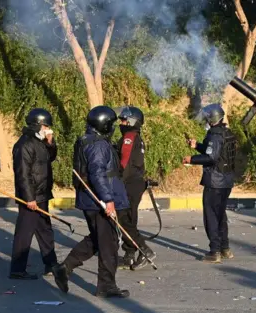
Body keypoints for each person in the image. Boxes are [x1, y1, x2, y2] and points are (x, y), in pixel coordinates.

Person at [52, 106, 130, 298]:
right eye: (111, 124)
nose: (113, 127)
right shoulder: (98, 145)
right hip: (99, 201)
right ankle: (106, 286)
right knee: (109, 244)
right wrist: (108, 200)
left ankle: (65, 267)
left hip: (90, 200)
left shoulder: (87, 140)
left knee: (97, 239)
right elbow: (97, 174)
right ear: (104, 125)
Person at [183, 104, 237, 264]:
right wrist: (197, 146)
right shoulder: (227, 133)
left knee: (211, 216)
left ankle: (215, 251)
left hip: (215, 182)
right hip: (226, 181)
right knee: (221, 215)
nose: (205, 119)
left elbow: (211, 158)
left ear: (211, 118)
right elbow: (216, 154)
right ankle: (225, 248)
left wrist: (191, 159)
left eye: (207, 117)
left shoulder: (214, 136)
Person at [9, 108, 58, 280]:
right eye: (45, 126)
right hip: (31, 197)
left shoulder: (40, 142)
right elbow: (23, 175)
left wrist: (50, 143)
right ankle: (17, 269)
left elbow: (50, 158)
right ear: (37, 125)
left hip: (42, 194)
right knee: (24, 233)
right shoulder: (24, 145)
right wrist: (29, 198)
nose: (47, 129)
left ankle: (51, 264)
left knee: (45, 231)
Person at [115, 106, 156, 271]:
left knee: (124, 220)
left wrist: (115, 180)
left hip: (128, 184)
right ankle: (129, 254)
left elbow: (123, 163)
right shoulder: (137, 137)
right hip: (136, 183)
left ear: (132, 121)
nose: (122, 123)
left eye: (124, 120)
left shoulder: (129, 137)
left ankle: (145, 251)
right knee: (130, 219)